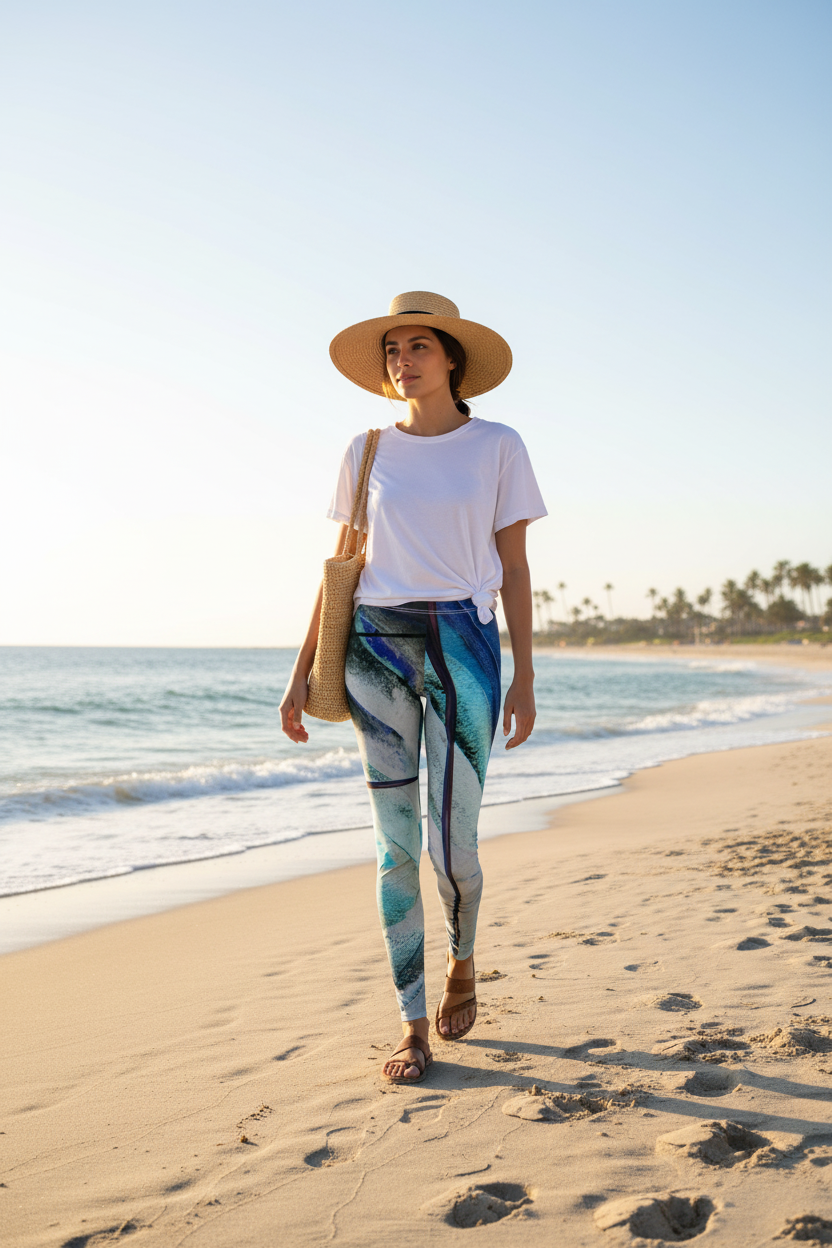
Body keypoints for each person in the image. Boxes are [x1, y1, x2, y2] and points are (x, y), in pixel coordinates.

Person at [280, 291, 547, 1084]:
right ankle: (410, 1025)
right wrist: (299, 674)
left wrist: (525, 673)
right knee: (394, 847)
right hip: (375, 646)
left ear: (453, 359)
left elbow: (518, 568)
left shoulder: (498, 445)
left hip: (464, 643)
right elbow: (338, 569)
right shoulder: (366, 451)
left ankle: (464, 958)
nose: (404, 361)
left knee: (452, 844)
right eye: (393, 349)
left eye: (418, 346)